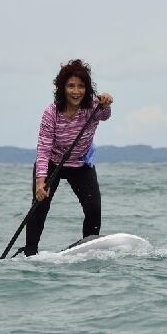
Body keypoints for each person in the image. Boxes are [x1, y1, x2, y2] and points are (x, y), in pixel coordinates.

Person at [24, 59, 113, 256]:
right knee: (39, 206)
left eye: (81, 86)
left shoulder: (93, 107)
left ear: (87, 89)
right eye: (71, 86)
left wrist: (106, 102)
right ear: (62, 88)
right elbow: (44, 147)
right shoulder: (51, 112)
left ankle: (89, 250)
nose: (76, 91)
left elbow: (105, 115)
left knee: (94, 208)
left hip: (81, 164)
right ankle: (30, 254)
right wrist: (41, 182)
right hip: (52, 163)